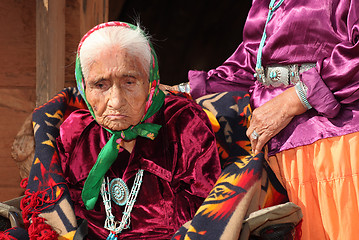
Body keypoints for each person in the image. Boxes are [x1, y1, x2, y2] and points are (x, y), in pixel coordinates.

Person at [3, 21, 221, 240]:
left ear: (150, 83)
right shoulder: (76, 131)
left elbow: (207, 214)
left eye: (129, 82)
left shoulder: (183, 124)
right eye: (100, 85)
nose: (115, 102)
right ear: (84, 87)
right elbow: (57, 216)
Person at [176, 0, 359, 239]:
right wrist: (182, 91)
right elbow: (252, 66)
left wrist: (294, 100)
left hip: (335, 150)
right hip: (272, 157)